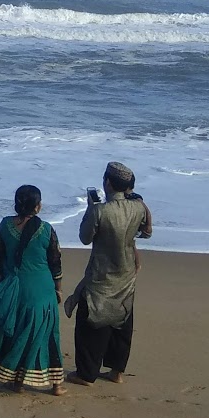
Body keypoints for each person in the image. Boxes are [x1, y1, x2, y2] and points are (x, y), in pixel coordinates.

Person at [0, 184, 66, 395]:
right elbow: (55, 261)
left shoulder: (4, 226)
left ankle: (16, 381)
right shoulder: (46, 229)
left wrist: (5, 279)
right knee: (47, 336)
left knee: (13, 334)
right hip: (41, 291)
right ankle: (56, 384)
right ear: (38, 207)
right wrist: (58, 289)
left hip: (13, 287)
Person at [66, 161, 153, 384]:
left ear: (107, 182)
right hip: (126, 271)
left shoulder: (100, 211)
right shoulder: (139, 207)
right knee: (122, 320)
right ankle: (117, 372)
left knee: (91, 322)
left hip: (101, 275)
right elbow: (146, 232)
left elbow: (85, 238)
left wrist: (90, 208)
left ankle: (86, 373)